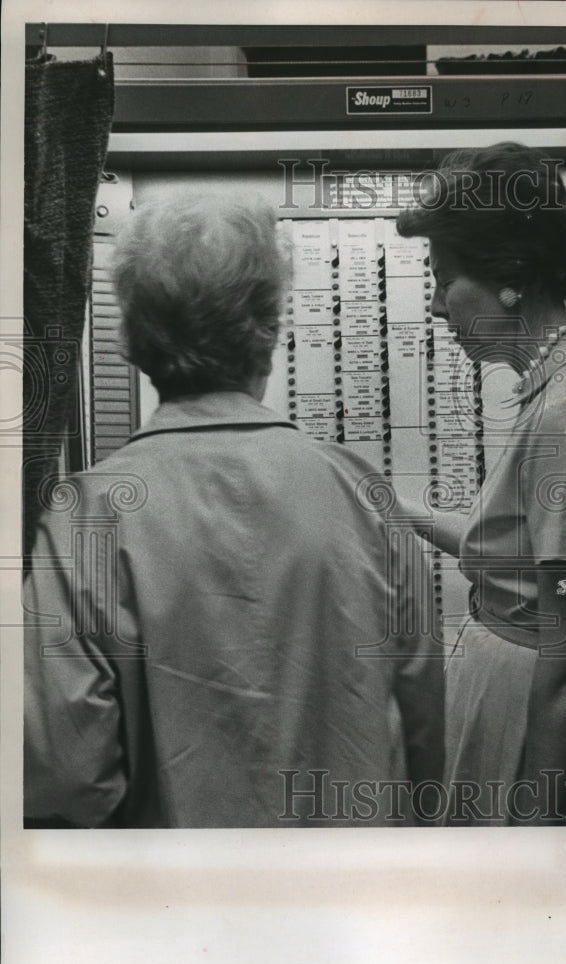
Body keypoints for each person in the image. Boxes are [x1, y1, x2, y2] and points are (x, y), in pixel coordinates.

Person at [24, 192, 444, 828]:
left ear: (129, 339)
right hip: (349, 906)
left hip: (178, 917)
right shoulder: (365, 498)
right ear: (272, 330)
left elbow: (66, 781)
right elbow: (424, 738)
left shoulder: (81, 520)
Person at [396, 143, 566, 824]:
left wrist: (534, 830)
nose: (433, 305)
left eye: (442, 278)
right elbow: (528, 565)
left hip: (541, 718)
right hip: (519, 695)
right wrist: (397, 508)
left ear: (509, 277)